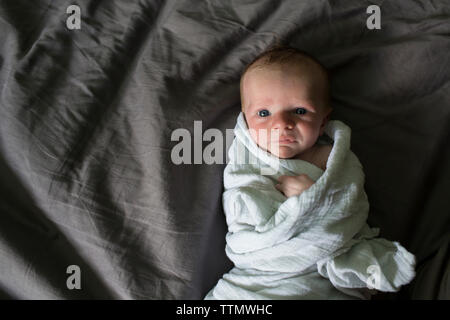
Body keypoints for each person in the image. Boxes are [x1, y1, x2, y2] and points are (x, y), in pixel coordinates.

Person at [205, 46, 415, 300]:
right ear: (247, 121)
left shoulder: (336, 161)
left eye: (300, 111)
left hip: (317, 278)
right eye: (263, 113)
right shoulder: (246, 158)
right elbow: (244, 212)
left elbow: (350, 212)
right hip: (260, 277)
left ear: (323, 121)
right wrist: (299, 205)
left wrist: (311, 197)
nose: (282, 123)